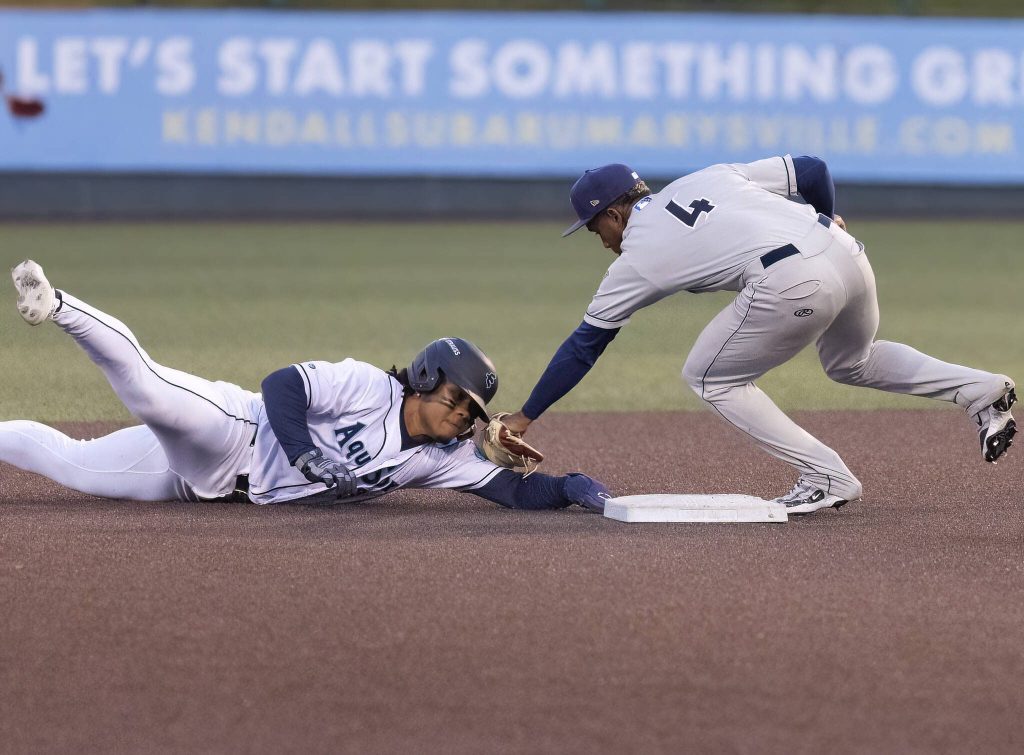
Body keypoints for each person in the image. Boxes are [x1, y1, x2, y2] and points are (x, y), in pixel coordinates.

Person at [499, 157, 1016, 514]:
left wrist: (525, 416)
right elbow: (812, 169)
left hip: (793, 280)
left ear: (614, 213)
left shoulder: (640, 255)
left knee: (708, 377)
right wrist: (827, 215)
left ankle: (824, 477)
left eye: (596, 228)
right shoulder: (708, 177)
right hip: (847, 252)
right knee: (851, 361)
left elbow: (585, 344)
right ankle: (981, 391)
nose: (600, 239)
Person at [2, 260, 609, 512]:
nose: (463, 416)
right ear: (427, 380)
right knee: (152, 393)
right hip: (233, 430)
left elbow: (509, 492)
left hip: (200, 489)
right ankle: (57, 304)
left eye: (473, 410)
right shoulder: (368, 387)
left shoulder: (434, 460)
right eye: (458, 398)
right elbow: (281, 385)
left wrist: (569, 488)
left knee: (75, 466)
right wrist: (302, 450)